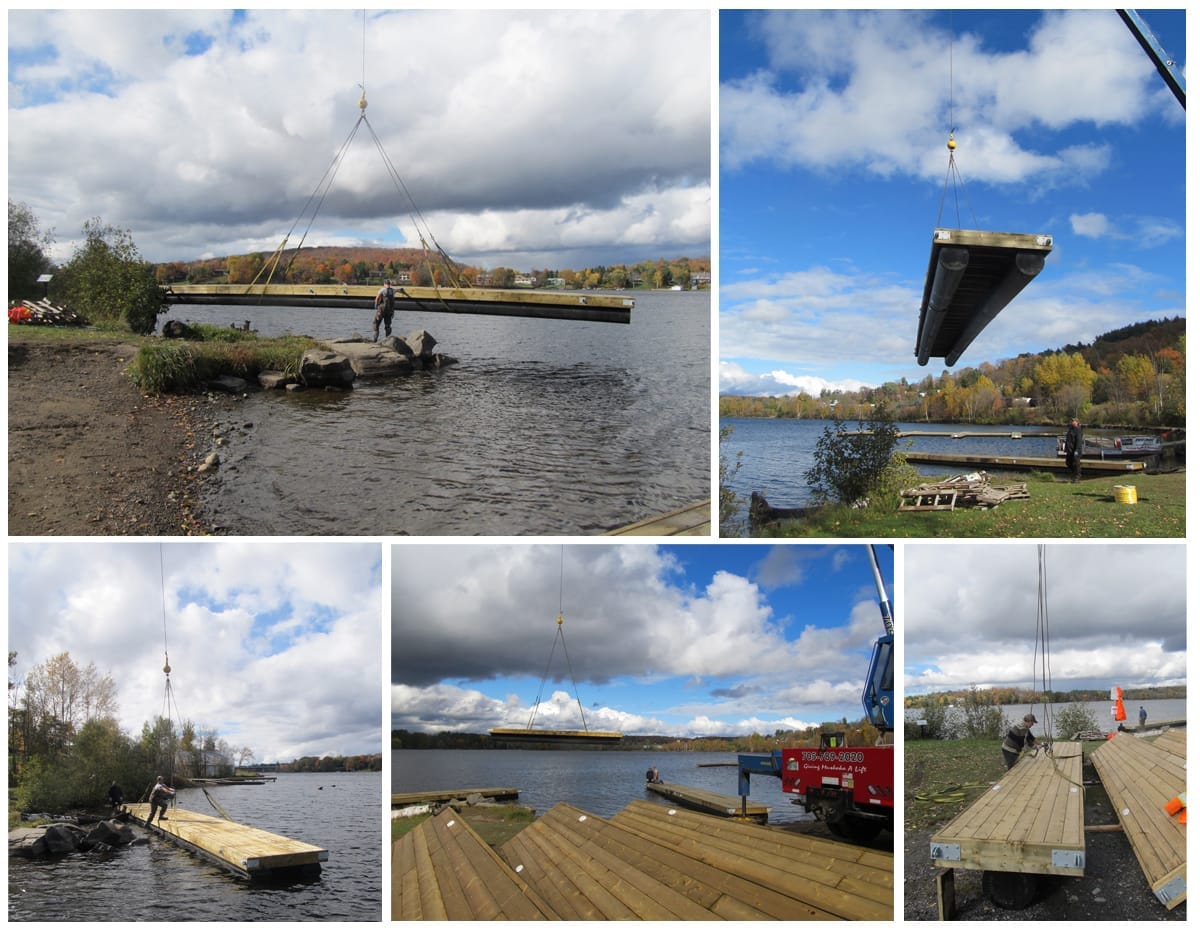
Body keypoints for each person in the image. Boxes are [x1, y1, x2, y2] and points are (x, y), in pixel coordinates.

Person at [1064, 417, 1084, 483]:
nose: (1072, 422)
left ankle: (1077, 477)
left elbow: (1078, 441)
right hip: (1069, 450)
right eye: (1071, 421)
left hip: (1076, 450)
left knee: (1076, 464)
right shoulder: (1070, 429)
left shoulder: (1078, 429)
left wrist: (1077, 451)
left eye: (1073, 421)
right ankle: (1073, 475)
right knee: (1068, 462)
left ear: (1077, 422)